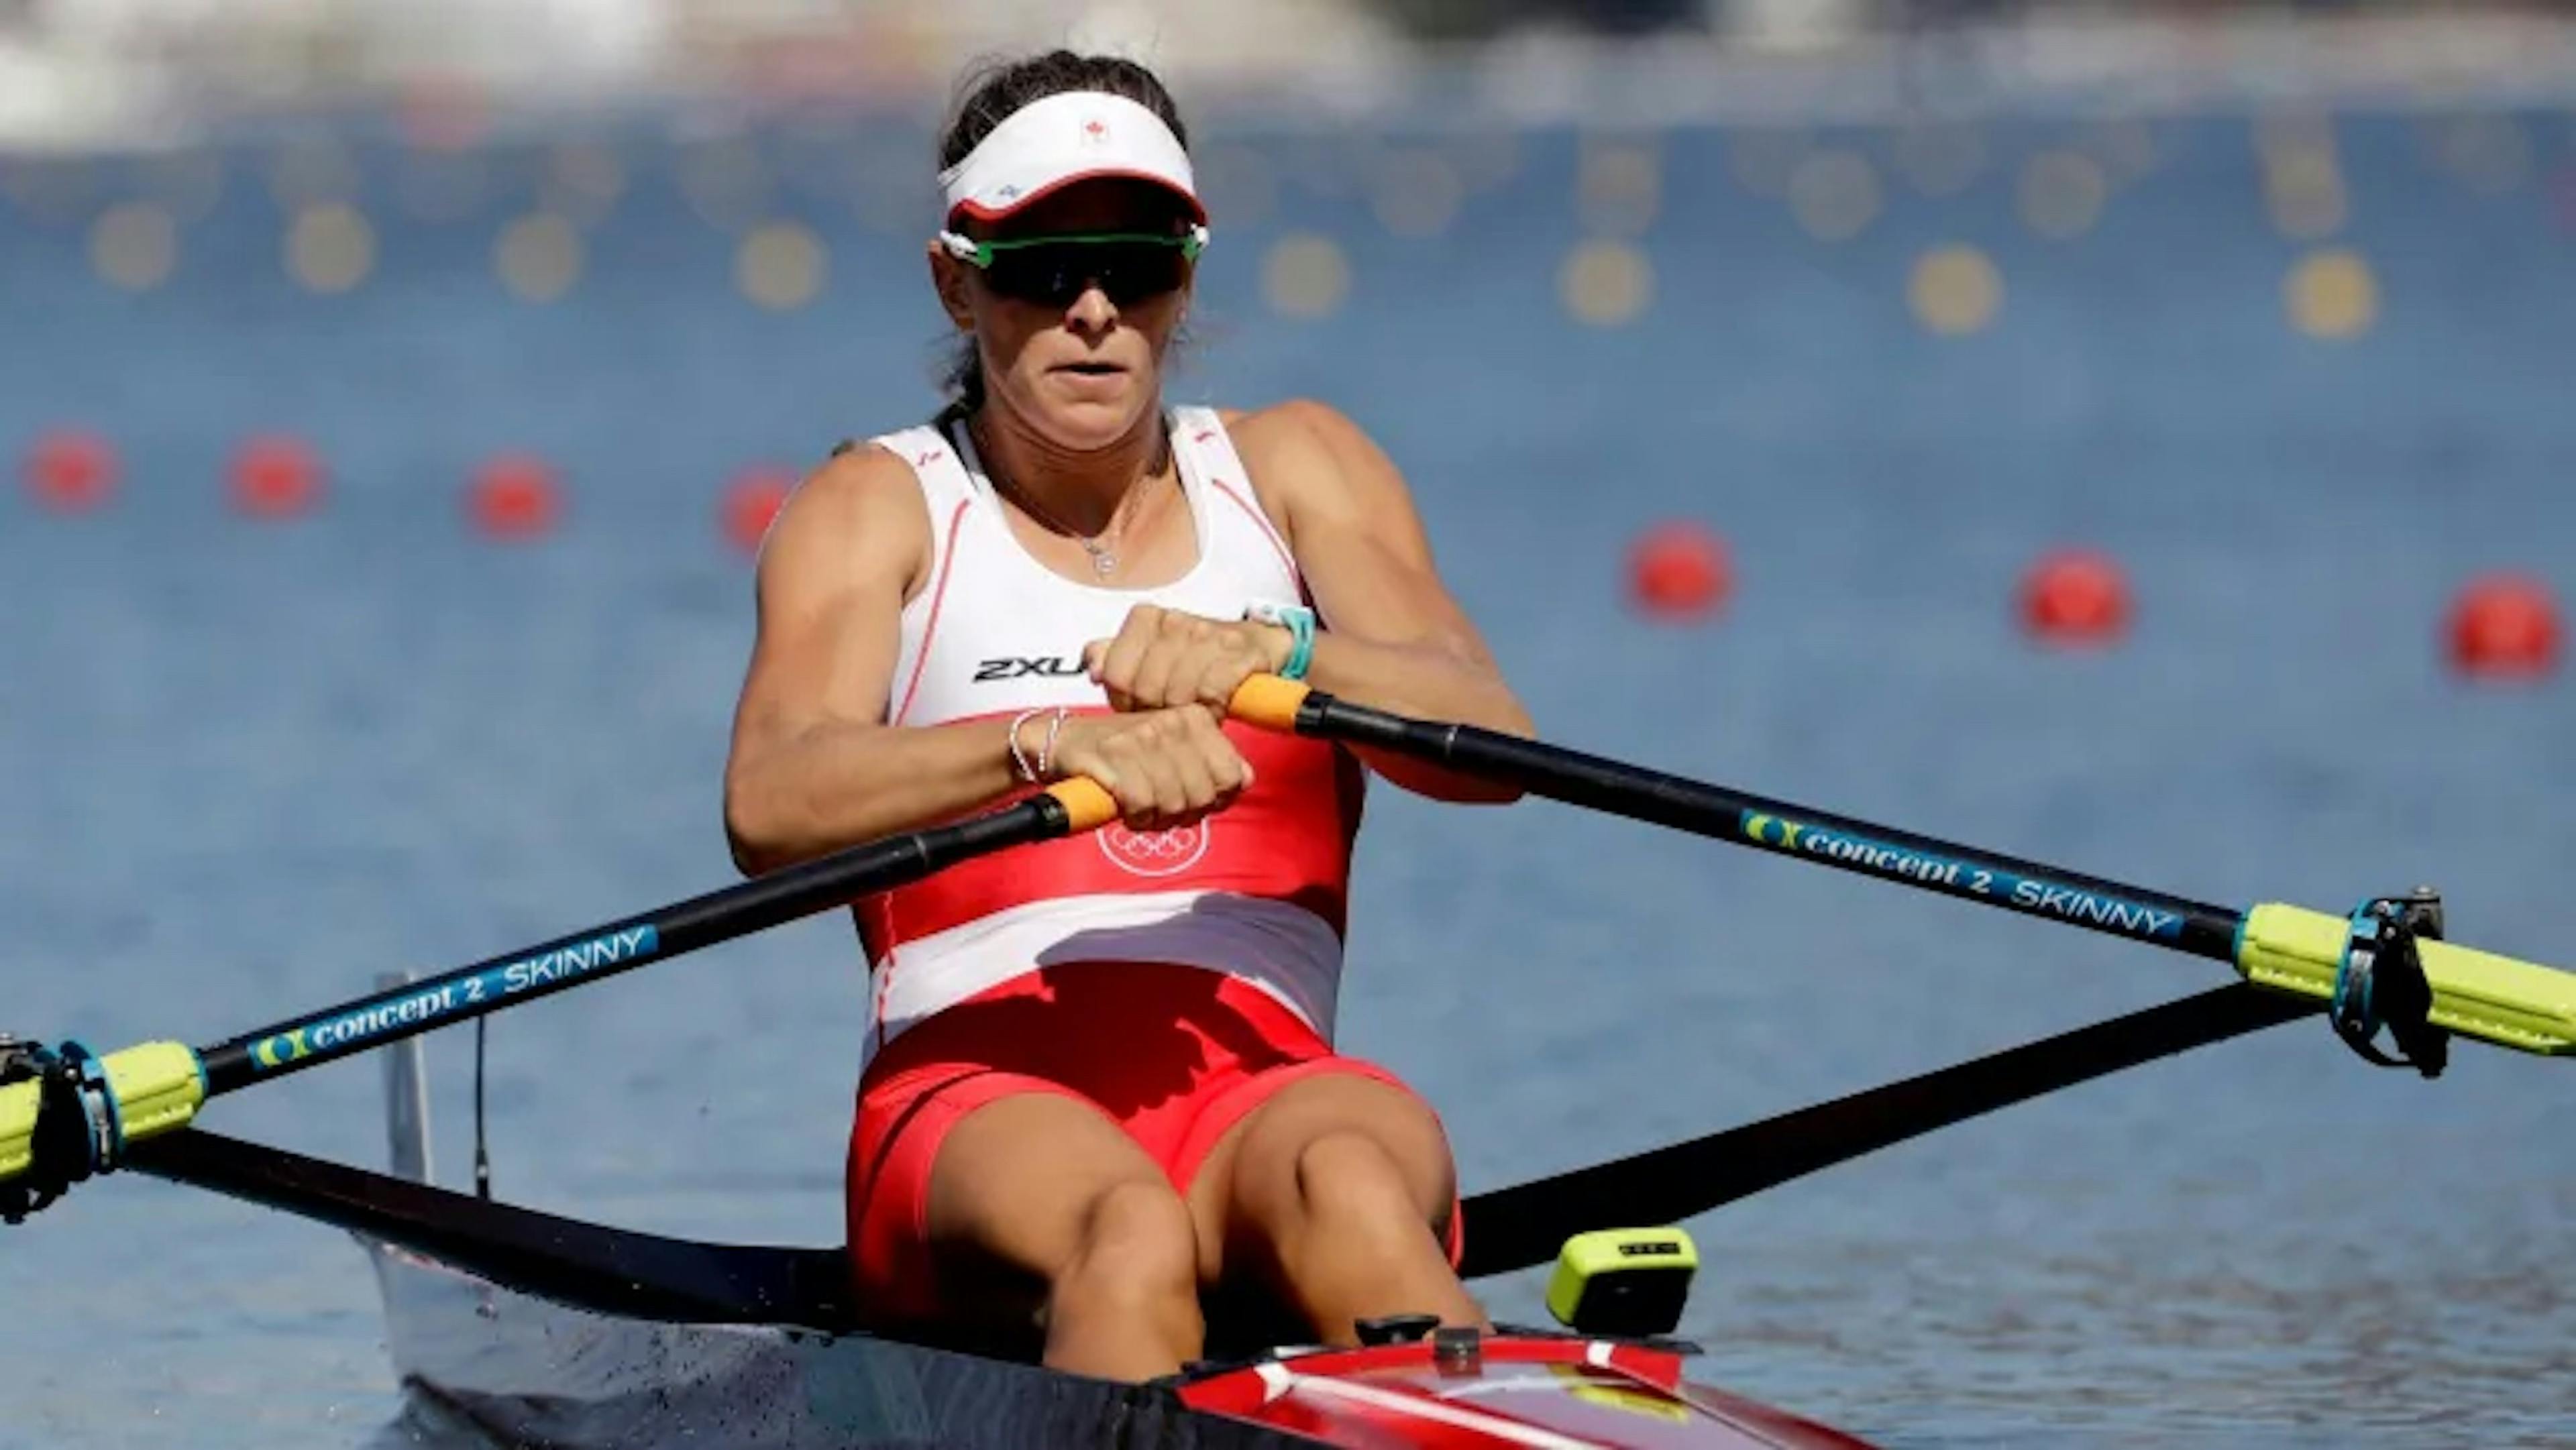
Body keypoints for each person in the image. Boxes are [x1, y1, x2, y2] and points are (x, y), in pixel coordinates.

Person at [722, 50, 1534, 1383]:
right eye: (1043, 266)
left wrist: (1275, 655)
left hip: (1263, 1089)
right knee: (1130, 1234)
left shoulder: (1299, 467)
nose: (1094, 309)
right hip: (975, 1101)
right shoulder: (878, 506)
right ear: (955, 278)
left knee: (1356, 1186)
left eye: (1138, 262)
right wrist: (1047, 741)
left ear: (1187, 278)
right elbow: (770, 797)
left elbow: (1487, 735)